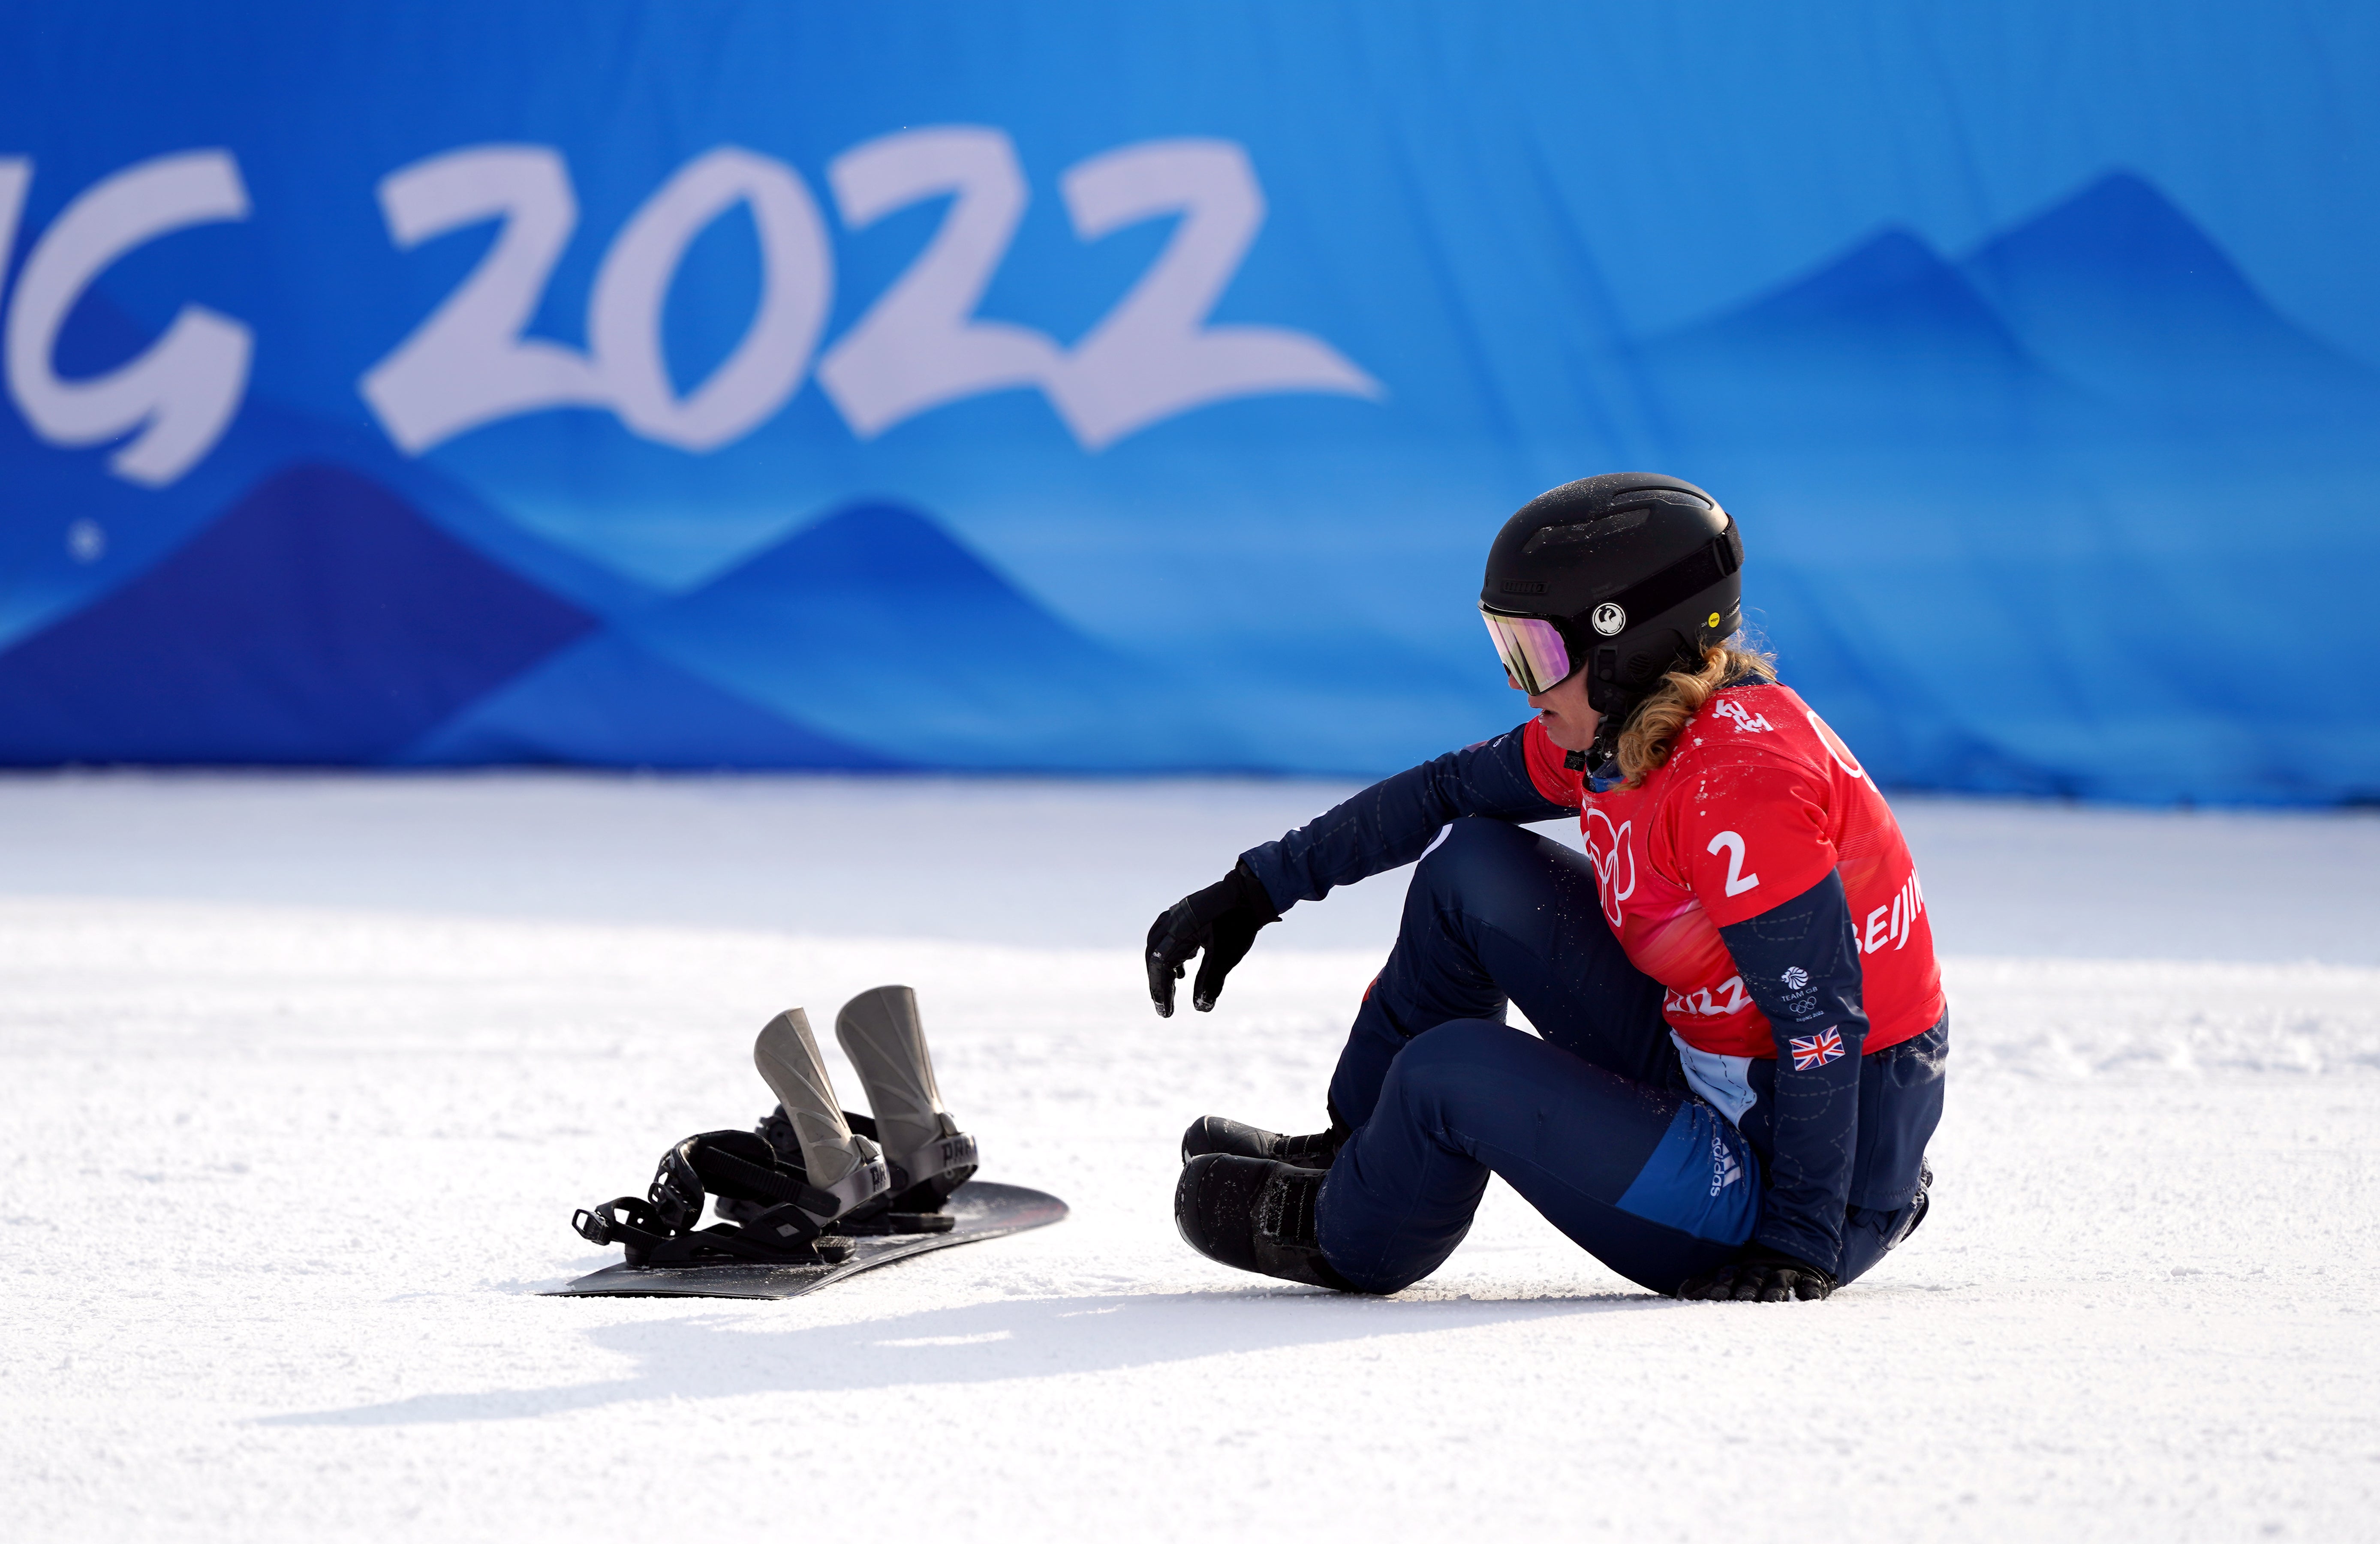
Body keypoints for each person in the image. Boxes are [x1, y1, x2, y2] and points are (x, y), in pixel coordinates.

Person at [1149, 473, 1946, 1303]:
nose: (1517, 685)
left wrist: (1800, 1244)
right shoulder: (1643, 725)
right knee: (1473, 867)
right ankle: (1361, 1148)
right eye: (1508, 650)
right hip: (1728, 1079)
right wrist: (1255, 888)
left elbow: (1822, 1026)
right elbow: (1443, 792)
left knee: (1448, 1068)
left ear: (1622, 647)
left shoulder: (1738, 790)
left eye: (1535, 654)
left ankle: (1353, 1235)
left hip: (1795, 1185)